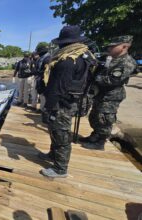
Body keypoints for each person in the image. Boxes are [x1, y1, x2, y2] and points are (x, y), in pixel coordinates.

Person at [38, 26, 96, 178]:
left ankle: (60, 168)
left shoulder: (68, 60)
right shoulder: (83, 55)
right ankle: (53, 154)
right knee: (55, 130)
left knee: (61, 134)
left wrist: (49, 107)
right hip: (70, 99)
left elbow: (59, 86)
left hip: (62, 103)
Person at [79, 36, 137, 150]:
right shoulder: (111, 58)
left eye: (113, 46)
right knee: (95, 116)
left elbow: (113, 80)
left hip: (111, 95)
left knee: (104, 118)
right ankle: (95, 135)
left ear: (124, 46)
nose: (109, 48)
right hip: (101, 94)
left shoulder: (127, 62)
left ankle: (100, 142)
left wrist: (96, 77)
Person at [34, 44, 52, 122]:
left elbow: (47, 70)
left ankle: (44, 110)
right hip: (40, 78)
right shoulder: (41, 58)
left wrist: (38, 72)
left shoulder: (47, 58)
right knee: (41, 94)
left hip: (45, 80)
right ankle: (42, 108)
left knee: (44, 95)